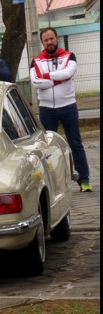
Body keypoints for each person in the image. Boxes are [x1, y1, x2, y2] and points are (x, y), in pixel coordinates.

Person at [30, 27, 92, 192]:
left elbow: (68, 73)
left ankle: (84, 180)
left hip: (68, 106)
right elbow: (35, 82)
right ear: (42, 42)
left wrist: (46, 76)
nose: (49, 42)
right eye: (46, 40)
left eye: (51, 38)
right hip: (46, 108)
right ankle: (52, 184)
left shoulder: (69, 56)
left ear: (56, 38)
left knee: (75, 143)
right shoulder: (36, 61)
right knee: (46, 147)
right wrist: (58, 78)